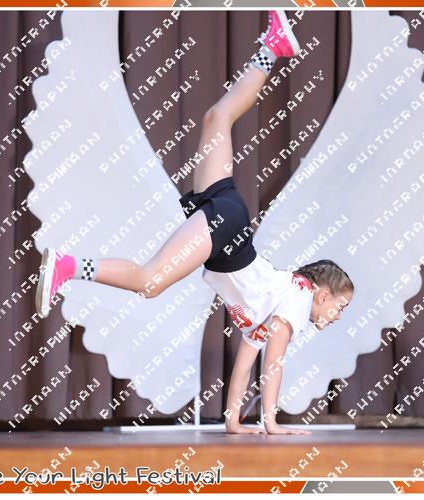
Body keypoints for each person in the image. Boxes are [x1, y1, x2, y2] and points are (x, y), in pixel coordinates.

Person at [35, 10, 354, 435]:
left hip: (229, 217)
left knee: (217, 118)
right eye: (340, 306)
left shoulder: (272, 307)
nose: (338, 315)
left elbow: (246, 363)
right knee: (150, 282)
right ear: (322, 293)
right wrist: (272, 422)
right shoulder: (295, 303)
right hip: (227, 231)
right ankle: (68, 266)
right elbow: (274, 363)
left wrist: (234, 420)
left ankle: (271, 46)